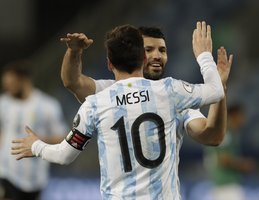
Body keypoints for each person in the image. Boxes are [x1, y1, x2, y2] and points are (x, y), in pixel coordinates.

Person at [11, 22, 224, 199]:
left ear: (110, 64)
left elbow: (63, 155)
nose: (157, 56)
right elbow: (215, 91)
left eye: (162, 50)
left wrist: (36, 146)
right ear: (142, 57)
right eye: (149, 50)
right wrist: (205, 57)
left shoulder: (96, 102)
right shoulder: (172, 92)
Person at [0, 61, 67, 200]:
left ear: (24, 80)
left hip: (36, 178)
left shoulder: (48, 105)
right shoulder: (3, 103)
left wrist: (37, 142)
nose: (8, 88)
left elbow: (62, 137)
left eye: (11, 84)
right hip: (7, 172)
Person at [205, 103, 256, 200]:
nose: (243, 119)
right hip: (227, 186)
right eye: (241, 115)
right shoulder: (226, 132)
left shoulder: (224, 131)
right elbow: (223, 159)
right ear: (234, 115)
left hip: (219, 185)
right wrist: (243, 165)